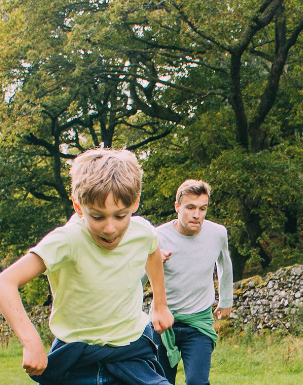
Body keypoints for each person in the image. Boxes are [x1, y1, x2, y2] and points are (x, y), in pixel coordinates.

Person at [0, 148, 174, 383]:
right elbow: (6, 282)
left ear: (134, 203)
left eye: (120, 216)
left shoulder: (143, 231)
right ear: (79, 206)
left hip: (131, 351)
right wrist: (30, 340)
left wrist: (160, 305)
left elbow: (152, 251)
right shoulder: (67, 239)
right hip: (76, 356)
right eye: (98, 217)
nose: (110, 228)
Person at [149, 179, 233, 385]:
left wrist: (226, 300)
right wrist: (151, 260)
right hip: (163, 322)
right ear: (177, 207)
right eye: (190, 208)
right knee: (161, 382)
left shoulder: (217, 233)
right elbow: (137, 278)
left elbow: (225, 264)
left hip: (198, 323)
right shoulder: (157, 236)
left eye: (202, 208)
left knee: (197, 381)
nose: (197, 214)